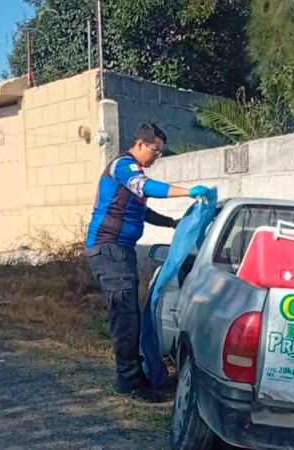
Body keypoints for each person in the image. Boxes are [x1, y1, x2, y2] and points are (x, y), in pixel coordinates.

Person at [84, 123, 210, 403]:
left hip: (119, 250)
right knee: (125, 318)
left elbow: (141, 208)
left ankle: (135, 376)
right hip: (109, 250)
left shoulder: (131, 172)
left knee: (129, 315)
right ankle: (128, 383)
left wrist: (171, 223)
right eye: (155, 151)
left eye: (160, 153)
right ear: (141, 144)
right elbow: (145, 188)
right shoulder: (123, 166)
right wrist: (188, 192)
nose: (156, 157)